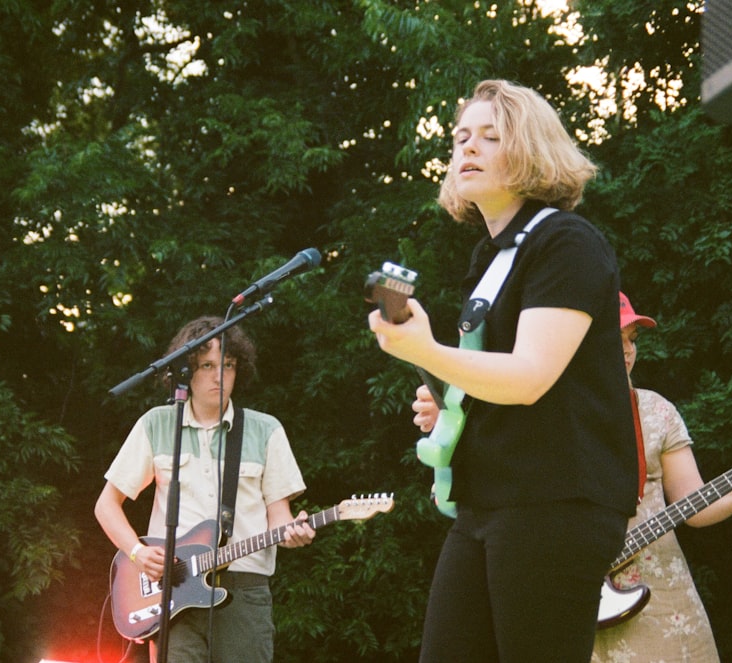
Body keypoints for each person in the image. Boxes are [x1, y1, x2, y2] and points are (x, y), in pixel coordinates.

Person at [368, 79, 638, 662]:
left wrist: (425, 350)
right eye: (462, 137)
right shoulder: (493, 257)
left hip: (555, 501)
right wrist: (451, 408)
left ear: (532, 151)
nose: (468, 148)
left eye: (491, 137)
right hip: (489, 503)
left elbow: (531, 375)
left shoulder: (567, 242)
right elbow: (503, 382)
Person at [94, 316, 315, 663]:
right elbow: (106, 505)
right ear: (185, 372)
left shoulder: (266, 430)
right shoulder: (157, 424)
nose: (219, 376)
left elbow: (279, 518)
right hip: (174, 589)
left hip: (244, 589)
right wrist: (137, 553)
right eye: (208, 365)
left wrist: (292, 532)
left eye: (228, 365)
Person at [591, 293, 732, 663]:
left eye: (632, 339)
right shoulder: (550, 419)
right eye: (615, 338)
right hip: (578, 593)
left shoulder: (657, 410)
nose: (627, 350)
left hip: (662, 593)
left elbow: (692, 503)